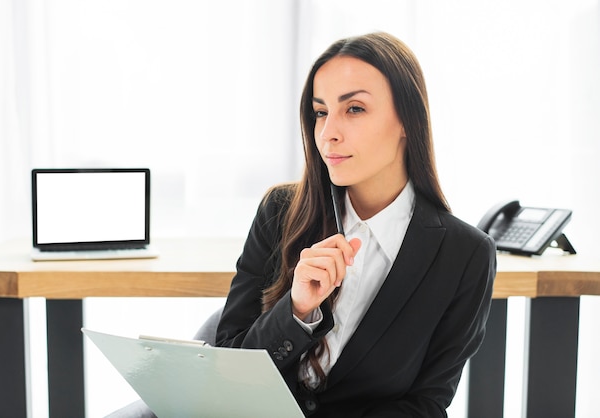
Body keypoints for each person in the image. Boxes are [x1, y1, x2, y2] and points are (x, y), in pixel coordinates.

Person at [107, 31, 495, 418]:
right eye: (321, 112)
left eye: (355, 109)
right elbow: (226, 365)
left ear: (407, 120)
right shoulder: (280, 211)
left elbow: (426, 403)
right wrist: (295, 310)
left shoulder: (465, 254)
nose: (328, 133)